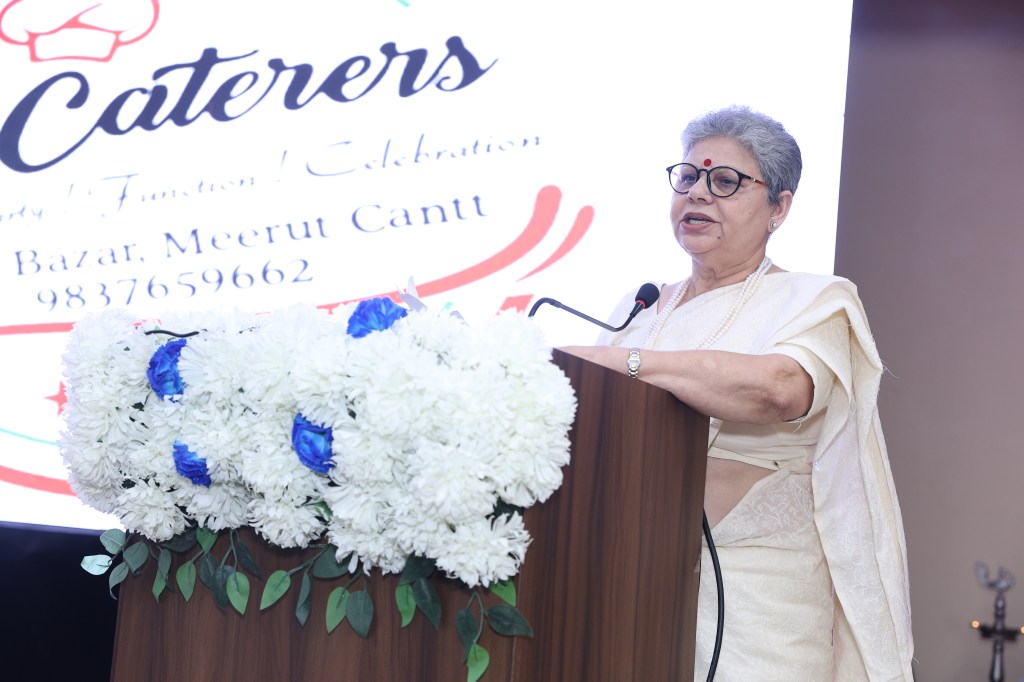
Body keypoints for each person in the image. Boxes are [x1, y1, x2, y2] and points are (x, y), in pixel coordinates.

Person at [560, 105, 913, 680]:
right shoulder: (639, 309)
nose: (698, 193)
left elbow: (779, 389)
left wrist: (627, 363)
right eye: (687, 177)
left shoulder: (815, 300)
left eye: (725, 181)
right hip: (626, 582)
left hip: (757, 603)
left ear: (779, 207)